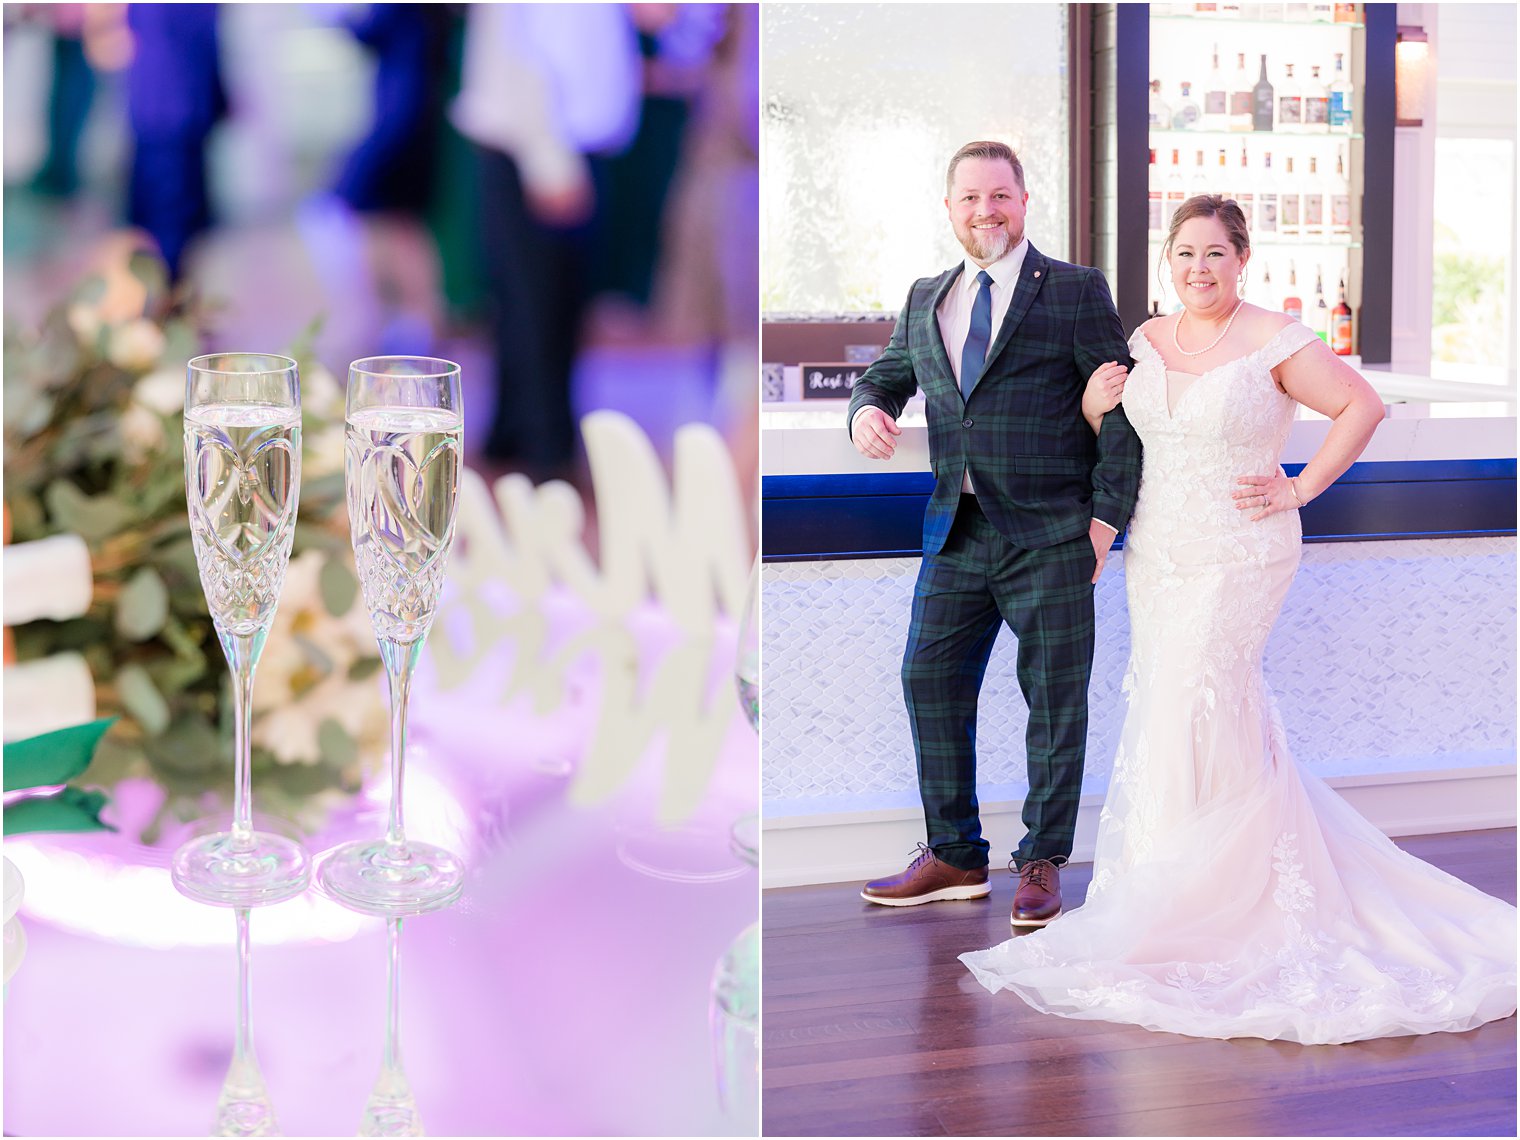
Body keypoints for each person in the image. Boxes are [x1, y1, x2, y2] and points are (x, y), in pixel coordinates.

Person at [960, 195, 1517, 1044]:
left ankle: (1219, 905)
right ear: (1168, 262)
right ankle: (1173, 889)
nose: (1197, 269)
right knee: (1166, 706)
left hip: (1241, 550)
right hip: (1160, 552)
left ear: (1242, 259)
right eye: (1183, 254)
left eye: (1214, 254)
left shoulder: (1275, 339)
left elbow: (1361, 407)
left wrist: (1297, 487)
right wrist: (1091, 408)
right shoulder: (1145, 339)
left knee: (1199, 695)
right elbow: (1120, 439)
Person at [845, 140, 1143, 927]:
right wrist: (867, 411)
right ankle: (954, 854)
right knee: (928, 680)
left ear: (1024, 201)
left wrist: (1106, 521)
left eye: (1001, 196)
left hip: (1053, 532)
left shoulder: (1076, 290)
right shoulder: (925, 296)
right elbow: (885, 376)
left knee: (1054, 701)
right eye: (971, 198)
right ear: (950, 210)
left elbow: (1122, 413)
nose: (987, 211)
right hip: (958, 530)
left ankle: (1042, 861)